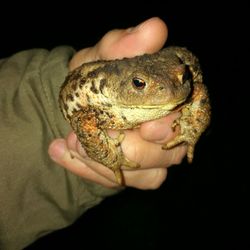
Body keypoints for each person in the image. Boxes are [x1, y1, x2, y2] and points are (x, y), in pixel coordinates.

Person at [0, 17, 187, 249]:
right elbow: (81, 118)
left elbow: (189, 79)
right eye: (139, 84)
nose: (167, 89)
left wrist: (191, 123)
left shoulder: (172, 79)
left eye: (181, 78)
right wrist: (109, 158)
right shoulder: (103, 104)